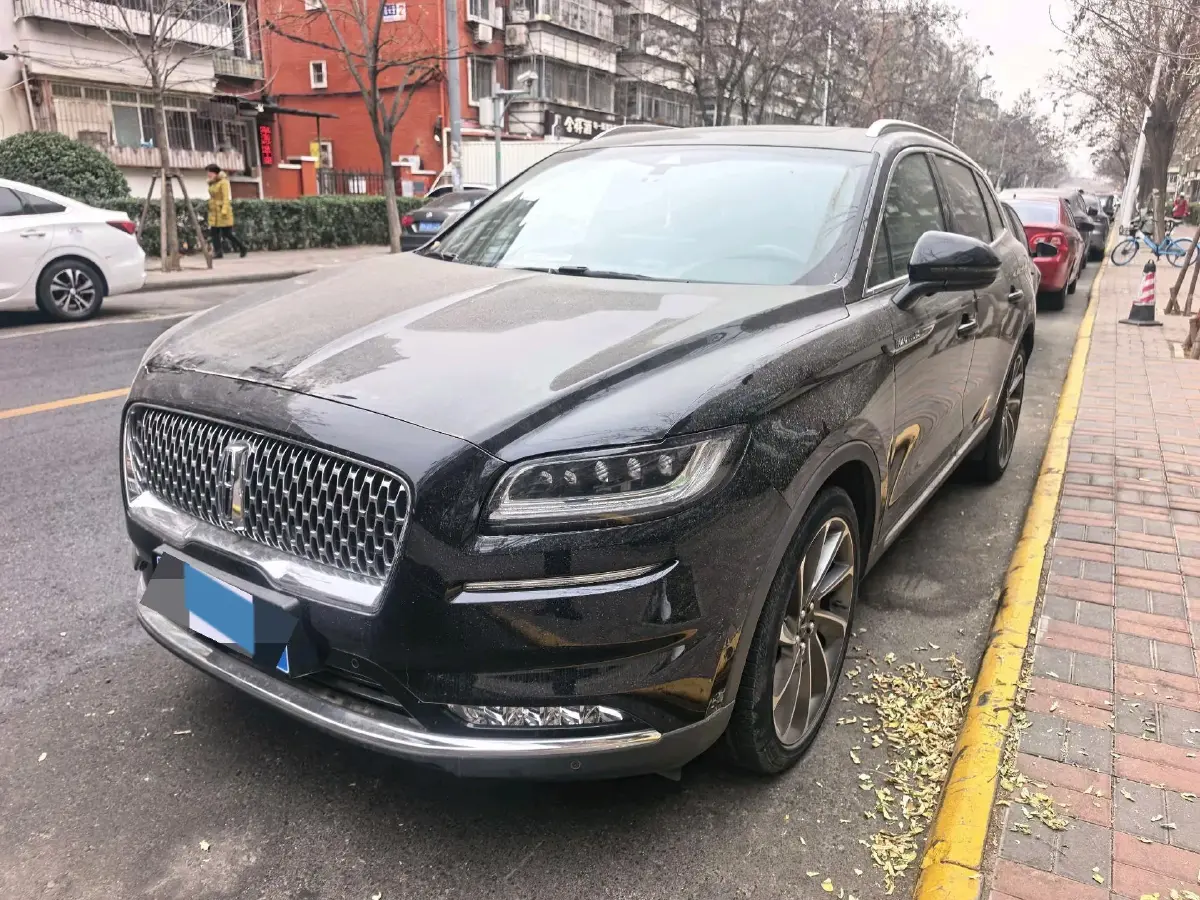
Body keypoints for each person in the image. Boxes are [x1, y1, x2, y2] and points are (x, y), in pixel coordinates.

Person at [205, 164, 246, 259]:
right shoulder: (212, 182)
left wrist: (224, 210)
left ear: (216, 173)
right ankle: (218, 252)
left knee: (227, 234)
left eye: (210, 172)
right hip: (214, 212)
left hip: (222, 211)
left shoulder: (224, 182)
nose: (208, 174)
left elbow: (225, 198)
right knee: (214, 233)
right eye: (208, 172)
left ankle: (242, 247)